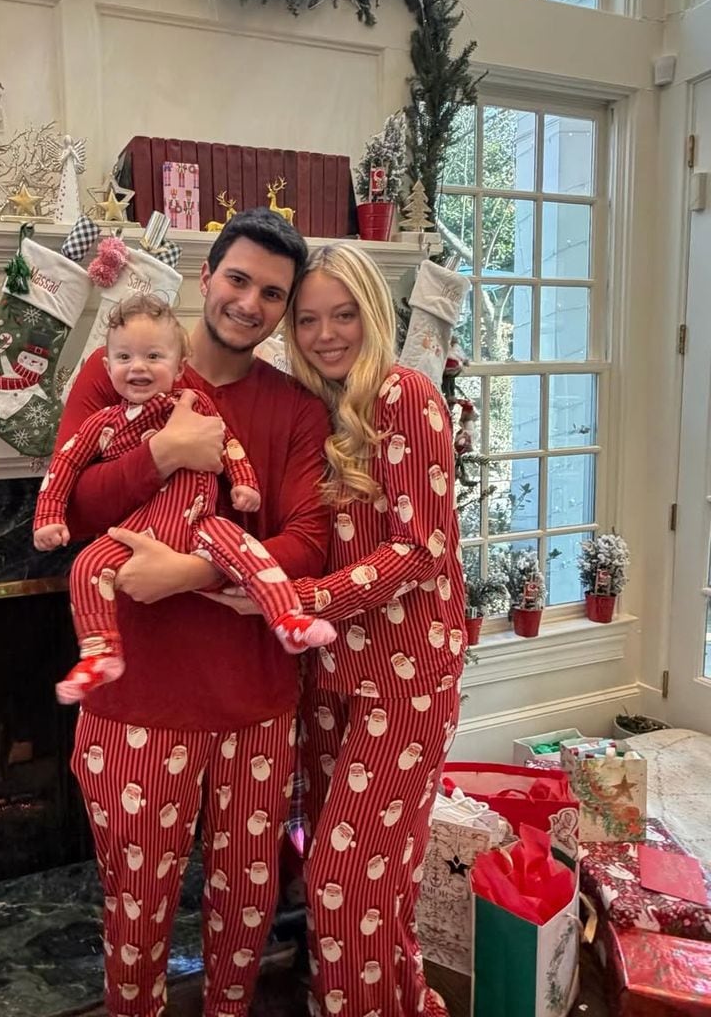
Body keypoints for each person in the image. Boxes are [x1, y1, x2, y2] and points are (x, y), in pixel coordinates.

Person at [52, 208, 333, 1017]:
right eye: (237, 279)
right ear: (205, 277)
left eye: (272, 294)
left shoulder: (296, 408)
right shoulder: (121, 368)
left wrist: (191, 572)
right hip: (136, 705)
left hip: (256, 709)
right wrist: (163, 454)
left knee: (246, 918)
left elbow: (309, 542)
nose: (249, 302)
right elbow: (74, 510)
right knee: (135, 916)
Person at [283, 242, 466, 1017]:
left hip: (406, 681)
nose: (326, 334)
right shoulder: (312, 407)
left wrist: (306, 601)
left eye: (343, 314)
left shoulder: (405, 394)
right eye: (308, 319)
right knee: (373, 894)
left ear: (373, 313)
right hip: (331, 679)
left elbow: (420, 549)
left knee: (341, 885)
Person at [33, 293, 336, 701]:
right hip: (137, 532)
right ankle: (99, 652)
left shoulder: (195, 405)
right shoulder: (103, 424)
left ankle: (287, 618)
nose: (138, 367)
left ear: (179, 367)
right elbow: (65, 466)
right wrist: (49, 516)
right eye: (124, 358)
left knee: (247, 550)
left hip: (200, 523)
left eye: (153, 356)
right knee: (85, 565)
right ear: (108, 367)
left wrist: (244, 482)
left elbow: (228, 443)